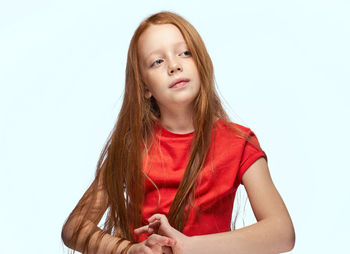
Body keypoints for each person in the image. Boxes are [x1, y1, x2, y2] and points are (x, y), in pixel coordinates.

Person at [61, 11, 295, 254]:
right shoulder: (132, 147)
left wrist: (188, 246)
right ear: (145, 88)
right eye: (157, 61)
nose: (174, 65)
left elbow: (282, 232)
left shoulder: (239, 143)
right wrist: (128, 250)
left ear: (201, 65)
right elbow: (74, 228)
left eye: (185, 53)